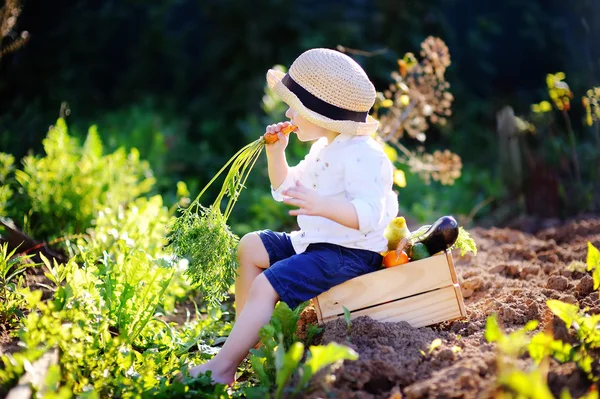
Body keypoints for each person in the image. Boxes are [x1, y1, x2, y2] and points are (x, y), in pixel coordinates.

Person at [185, 48, 398, 385]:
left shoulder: (364, 155)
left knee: (267, 283)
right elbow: (286, 188)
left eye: (295, 108)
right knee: (251, 245)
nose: (288, 113)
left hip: (350, 255)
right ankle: (247, 344)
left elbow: (371, 215)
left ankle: (223, 368)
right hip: (318, 244)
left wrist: (322, 205)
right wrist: (276, 154)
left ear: (319, 113)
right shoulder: (323, 149)